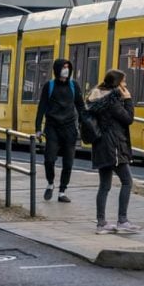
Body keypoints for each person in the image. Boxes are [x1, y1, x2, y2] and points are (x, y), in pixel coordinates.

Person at [86, 69, 141, 235]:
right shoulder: (112, 101)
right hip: (114, 146)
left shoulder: (97, 97)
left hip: (101, 145)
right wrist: (128, 99)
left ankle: (101, 223)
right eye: (124, 82)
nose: (125, 85)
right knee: (127, 181)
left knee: (104, 186)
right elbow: (128, 119)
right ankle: (122, 220)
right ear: (117, 84)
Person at [35, 58, 85, 203]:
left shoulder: (74, 85)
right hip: (52, 128)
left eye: (68, 67)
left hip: (70, 128)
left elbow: (80, 106)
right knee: (49, 159)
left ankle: (62, 191)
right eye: (63, 67)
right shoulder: (49, 86)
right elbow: (42, 107)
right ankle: (50, 183)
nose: (66, 69)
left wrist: (83, 124)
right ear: (57, 69)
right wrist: (37, 128)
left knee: (68, 163)